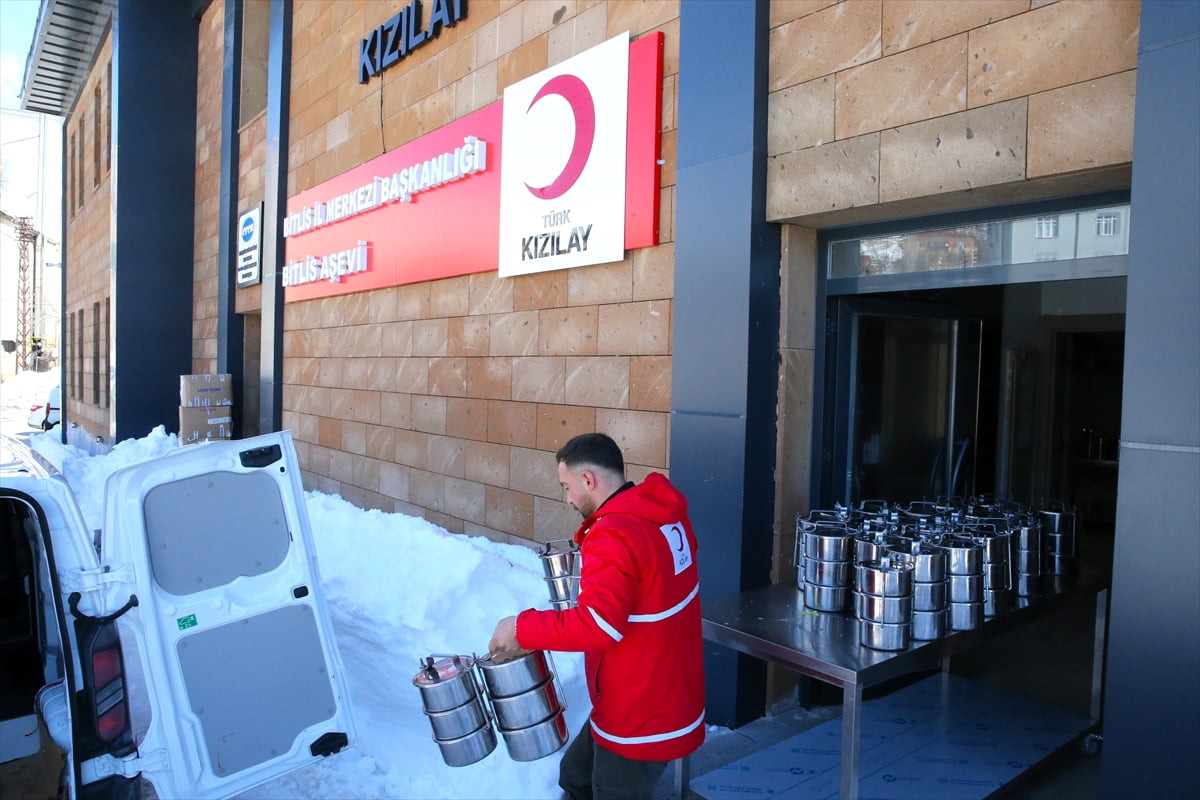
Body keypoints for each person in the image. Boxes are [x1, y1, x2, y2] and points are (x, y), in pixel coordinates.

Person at [489, 433, 705, 800]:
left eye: (567, 487)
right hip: (661, 695)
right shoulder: (662, 516)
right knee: (575, 776)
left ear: (588, 480)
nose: (569, 498)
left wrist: (521, 628)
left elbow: (598, 626)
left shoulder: (616, 533)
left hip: (640, 714)